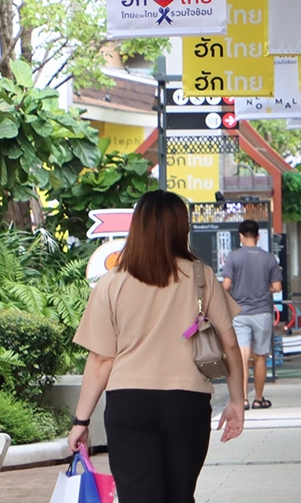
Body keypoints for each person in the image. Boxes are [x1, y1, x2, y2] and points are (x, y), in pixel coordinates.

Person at [68, 190, 247, 503]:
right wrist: (237, 401)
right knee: (180, 495)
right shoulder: (200, 276)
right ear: (182, 228)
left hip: (129, 403)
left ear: (137, 227)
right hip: (187, 403)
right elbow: (230, 346)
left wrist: (81, 421)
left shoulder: (112, 282)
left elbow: (100, 360)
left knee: (138, 496)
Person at [221, 219, 282, 409]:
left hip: (239, 312)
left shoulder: (233, 257)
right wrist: (264, 289)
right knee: (261, 356)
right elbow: (277, 287)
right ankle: (259, 399)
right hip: (262, 311)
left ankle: (243, 399)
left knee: (242, 356)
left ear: (240, 236)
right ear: (258, 236)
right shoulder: (269, 258)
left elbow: (226, 286)